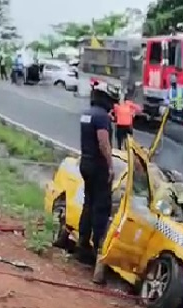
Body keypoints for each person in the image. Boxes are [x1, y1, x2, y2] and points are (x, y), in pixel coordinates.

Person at [76, 83, 114, 284]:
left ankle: (82, 245)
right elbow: (104, 143)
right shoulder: (102, 117)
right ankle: (98, 254)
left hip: (85, 162)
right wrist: (110, 166)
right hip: (98, 166)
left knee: (88, 204)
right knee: (101, 208)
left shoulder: (86, 114)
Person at [161, 74, 183, 145]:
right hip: (173, 110)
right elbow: (165, 98)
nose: (172, 81)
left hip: (182, 110)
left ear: (176, 80)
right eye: (171, 79)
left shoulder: (182, 89)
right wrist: (169, 103)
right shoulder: (169, 90)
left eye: (173, 79)